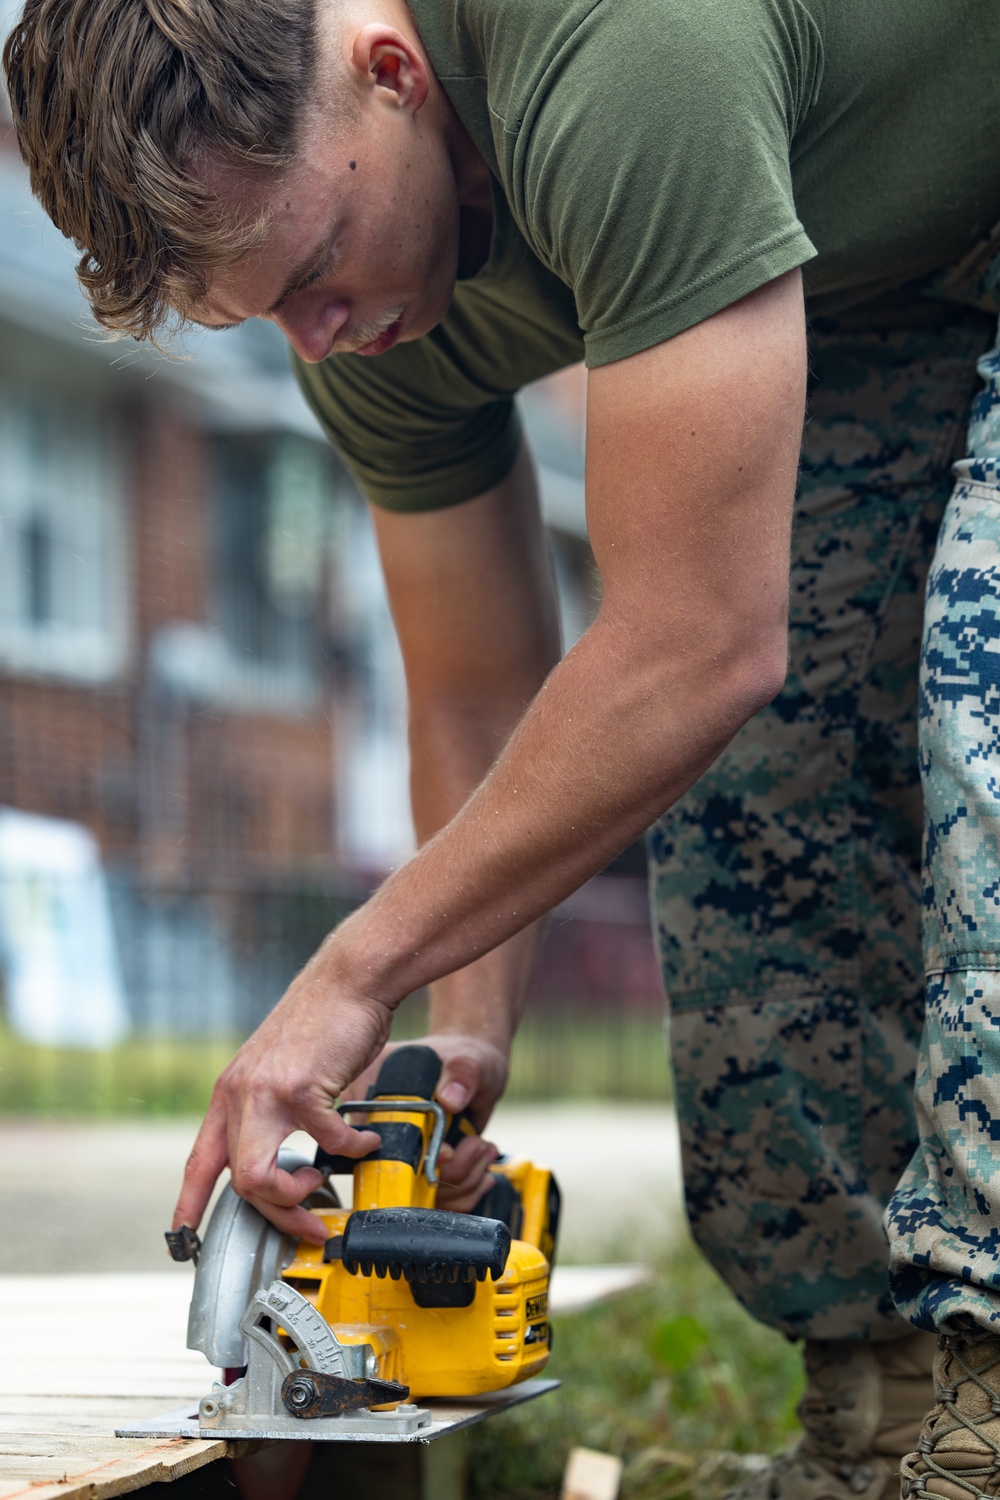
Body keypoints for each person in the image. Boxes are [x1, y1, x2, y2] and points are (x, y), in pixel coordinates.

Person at [5, 0, 1000, 1494]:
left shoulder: (617, 49)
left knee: (980, 734)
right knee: (748, 796)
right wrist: (459, 1027)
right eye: (263, 312)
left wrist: (349, 973)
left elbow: (697, 638)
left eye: (314, 278)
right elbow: (485, 702)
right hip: (861, 266)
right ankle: (878, 1398)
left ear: (392, 75)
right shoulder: (358, 291)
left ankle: (987, 1404)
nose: (315, 345)